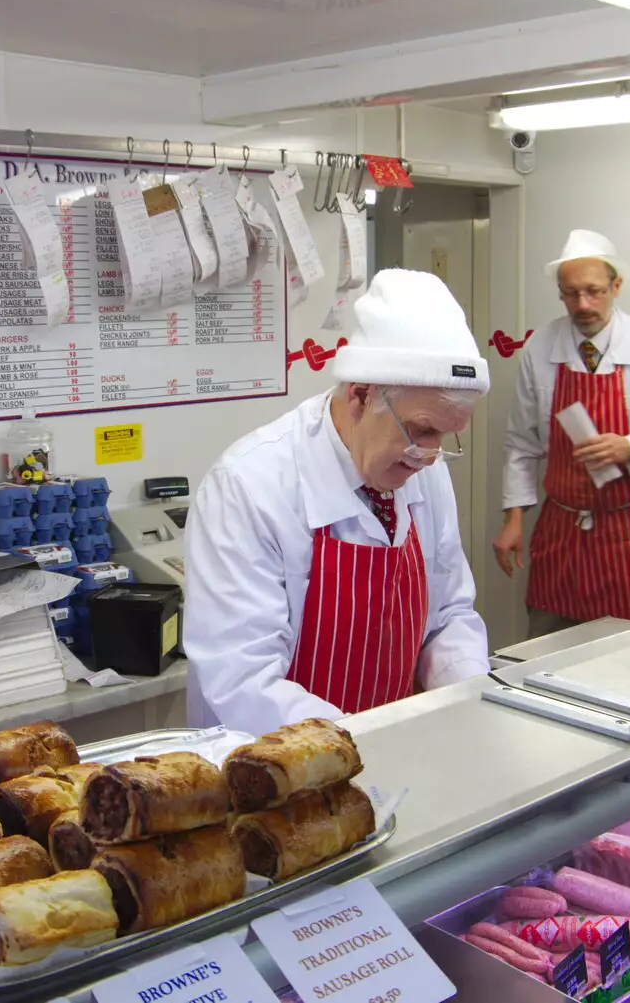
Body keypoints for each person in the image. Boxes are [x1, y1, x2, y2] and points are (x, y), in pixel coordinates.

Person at [183, 269, 491, 736]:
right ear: (361, 395)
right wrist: (358, 748)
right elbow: (243, 681)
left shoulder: (422, 469)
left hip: (389, 750)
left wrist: (469, 698)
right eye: (422, 430)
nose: (430, 454)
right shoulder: (250, 486)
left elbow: (447, 615)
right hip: (274, 769)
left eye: (447, 436)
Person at [495, 230, 630, 637]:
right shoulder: (540, 347)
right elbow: (522, 443)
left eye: (594, 291)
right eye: (571, 293)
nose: (583, 304)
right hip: (561, 529)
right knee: (548, 648)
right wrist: (513, 521)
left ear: (617, 286)